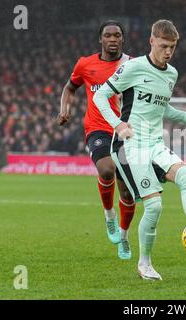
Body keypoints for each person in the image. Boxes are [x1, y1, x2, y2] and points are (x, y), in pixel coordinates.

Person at [94, 19, 186, 280]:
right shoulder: (132, 68)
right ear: (152, 41)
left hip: (154, 143)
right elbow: (100, 96)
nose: (168, 52)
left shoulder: (171, 74)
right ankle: (144, 264)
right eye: (164, 46)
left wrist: (184, 117)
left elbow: (161, 106)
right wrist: (118, 124)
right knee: (154, 206)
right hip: (128, 145)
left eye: (173, 47)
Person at [57, 21, 136, 260]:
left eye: (117, 35)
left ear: (123, 39)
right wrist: (64, 109)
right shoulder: (85, 64)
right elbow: (69, 88)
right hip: (97, 128)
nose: (113, 39)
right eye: (108, 35)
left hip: (124, 131)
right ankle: (109, 214)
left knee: (128, 193)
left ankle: (123, 237)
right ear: (100, 39)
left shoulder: (131, 65)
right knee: (106, 169)